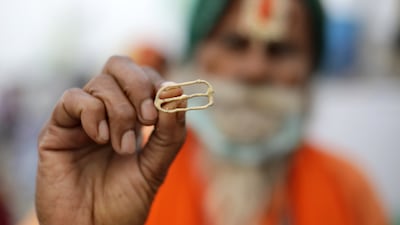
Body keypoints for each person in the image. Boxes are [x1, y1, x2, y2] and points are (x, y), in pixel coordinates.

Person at [32, 0, 389, 225]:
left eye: (279, 50)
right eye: (235, 43)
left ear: (310, 69)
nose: (254, 70)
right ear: (196, 57)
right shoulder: (117, 167)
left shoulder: (349, 188)